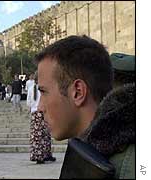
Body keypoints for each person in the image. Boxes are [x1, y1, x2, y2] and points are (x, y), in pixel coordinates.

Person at [36, 35, 135, 178]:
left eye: (44, 92)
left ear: (78, 92)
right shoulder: (93, 153)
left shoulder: (131, 166)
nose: (39, 108)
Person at [27, 74, 56, 164]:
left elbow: (28, 102)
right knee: (46, 134)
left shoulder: (31, 88)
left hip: (35, 113)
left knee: (36, 135)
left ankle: (38, 156)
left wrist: (32, 107)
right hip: (43, 112)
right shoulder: (43, 89)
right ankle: (46, 154)